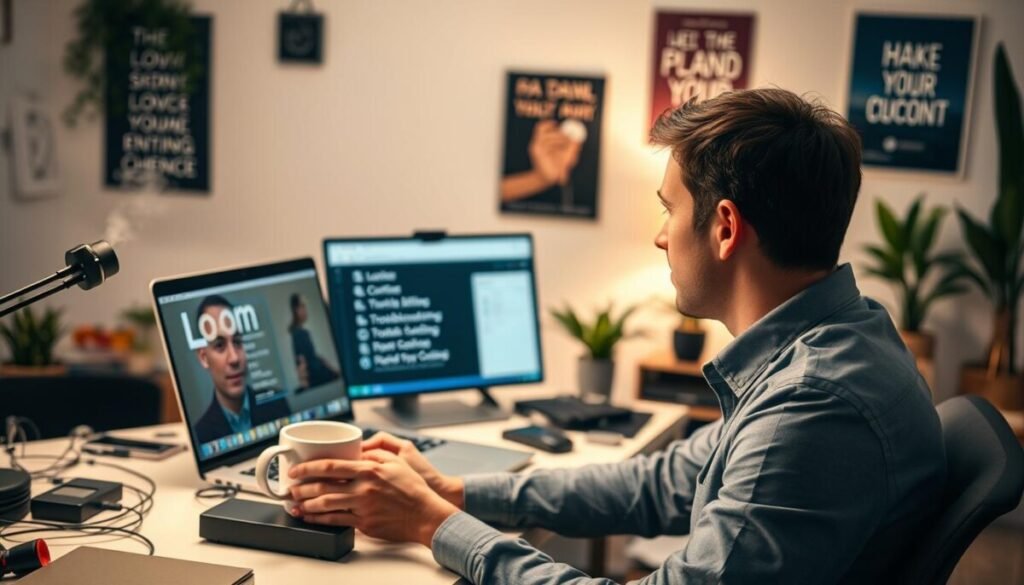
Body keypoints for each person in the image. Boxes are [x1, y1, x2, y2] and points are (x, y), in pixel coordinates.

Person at [284, 89, 947, 583]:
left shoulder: (812, 403)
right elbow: (665, 483)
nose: (661, 234)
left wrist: (434, 526)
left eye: (669, 208)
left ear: (723, 227)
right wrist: (458, 492)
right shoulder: (835, 342)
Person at [192, 295, 291, 445]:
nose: (234, 359)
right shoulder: (201, 434)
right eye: (219, 345)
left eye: (238, 342)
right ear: (204, 358)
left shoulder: (277, 403)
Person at [288, 293, 340, 391]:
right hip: (315, 375)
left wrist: (327, 364)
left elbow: (312, 356)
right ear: (296, 310)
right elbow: (301, 360)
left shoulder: (301, 332)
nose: (305, 310)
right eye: (302, 306)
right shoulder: (299, 333)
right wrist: (304, 383)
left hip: (317, 370)